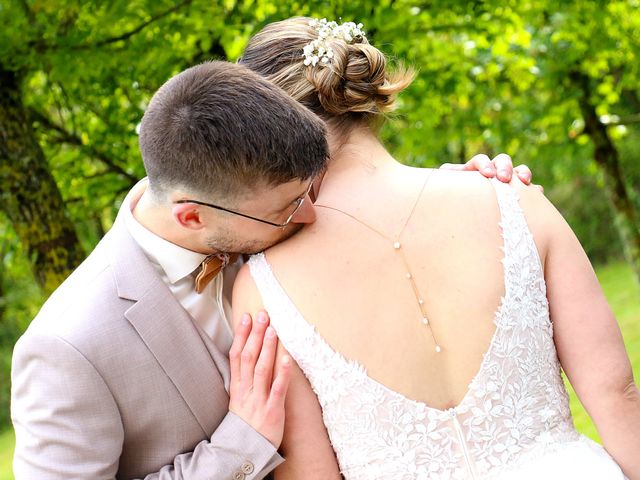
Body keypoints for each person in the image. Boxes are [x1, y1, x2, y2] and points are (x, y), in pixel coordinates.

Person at [10, 59, 523, 478]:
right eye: (287, 209)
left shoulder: (251, 204)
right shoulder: (66, 348)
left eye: (307, 193)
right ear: (191, 215)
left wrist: (459, 196)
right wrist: (239, 444)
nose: (309, 215)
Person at [234, 17, 640, 479]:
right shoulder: (514, 201)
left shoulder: (262, 287)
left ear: (267, 134)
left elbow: (311, 474)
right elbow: (617, 396)